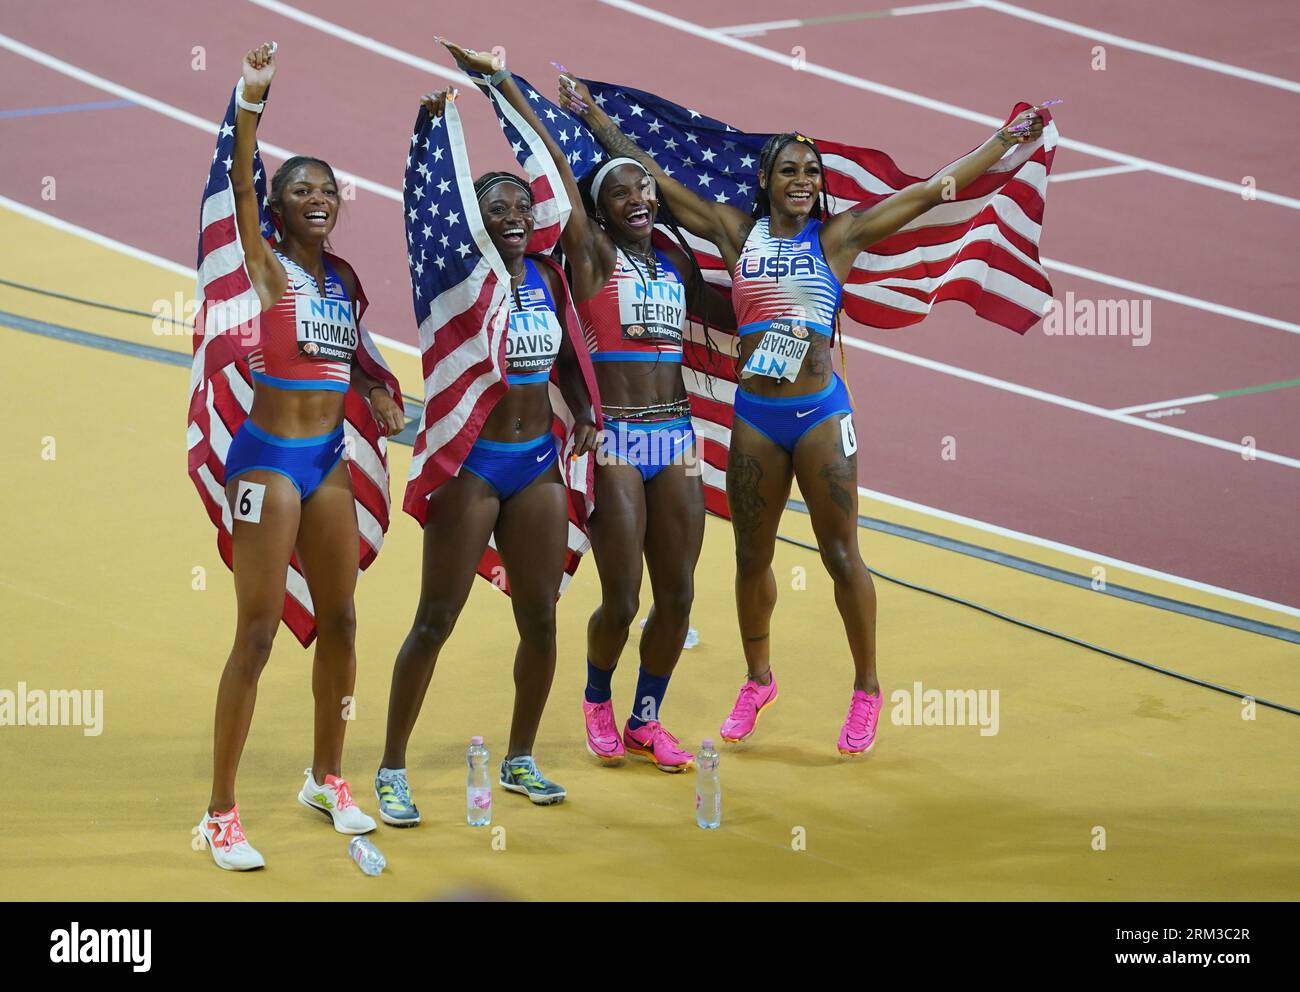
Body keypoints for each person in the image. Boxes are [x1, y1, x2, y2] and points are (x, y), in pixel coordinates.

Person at [560, 73, 1044, 755]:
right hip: (757, 416)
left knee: (841, 552)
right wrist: (594, 119)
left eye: (812, 172)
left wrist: (1000, 141)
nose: (804, 180)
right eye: (790, 170)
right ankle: (758, 679)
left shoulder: (841, 236)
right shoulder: (734, 231)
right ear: (766, 179)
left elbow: (929, 191)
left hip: (818, 412)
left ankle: (867, 688)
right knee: (751, 557)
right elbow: (657, 182)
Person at [441, 41, 735, 774]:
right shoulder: (591, 254)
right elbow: (556, 171)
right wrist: (500, 82)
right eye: (621, 192)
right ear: (599, 208)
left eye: (645, 191)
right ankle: (598, 694)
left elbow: (681, 200)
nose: (639, 198)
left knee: (680, 595)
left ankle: (646, 716)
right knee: (625, 598)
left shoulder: (674, 263)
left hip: (677, 436)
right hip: (617, 440)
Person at [198, 42, 406, 871]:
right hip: (266, 464)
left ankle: (328, 778)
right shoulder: (268, 267)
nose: (317, 199)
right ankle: (218, 812)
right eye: (301, 191)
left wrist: (378, 390)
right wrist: (253, 97)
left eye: (327, 190)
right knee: (254, 635)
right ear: (278, 209)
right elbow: (240, 180)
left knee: (345, 622)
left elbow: (348, 356)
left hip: (326, 460)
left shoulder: (340, 284)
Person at [375, 87, 599, 823]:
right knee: (436, 617)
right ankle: (391, 768)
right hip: (470, 467)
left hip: (536, 462)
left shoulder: (547, 275)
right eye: (497, 210)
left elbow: (566, 355)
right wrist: (426, 121)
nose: (512, 219)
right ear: (476, 221)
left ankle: (521, 758)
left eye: (520, 210)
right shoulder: (457, 280)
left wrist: (588, 412)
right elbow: (420, 207)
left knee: (540, 617)